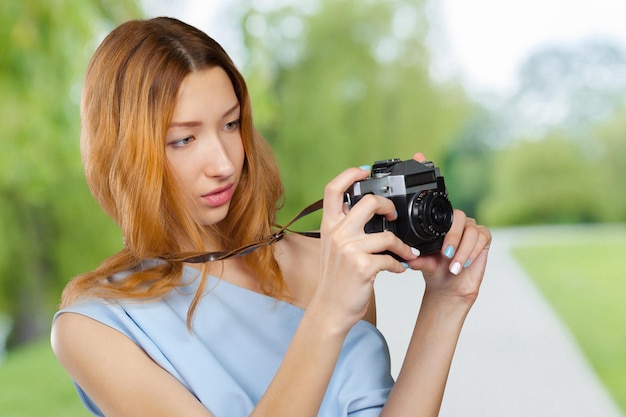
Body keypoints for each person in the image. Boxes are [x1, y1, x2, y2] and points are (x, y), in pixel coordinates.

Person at [51, 16, 491, 417]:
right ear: (125, 155)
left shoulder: (323, 266)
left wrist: (444, 303)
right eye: (184, 140)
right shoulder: (94, 328)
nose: (223, 162)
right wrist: (328, 312)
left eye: (230, 124)